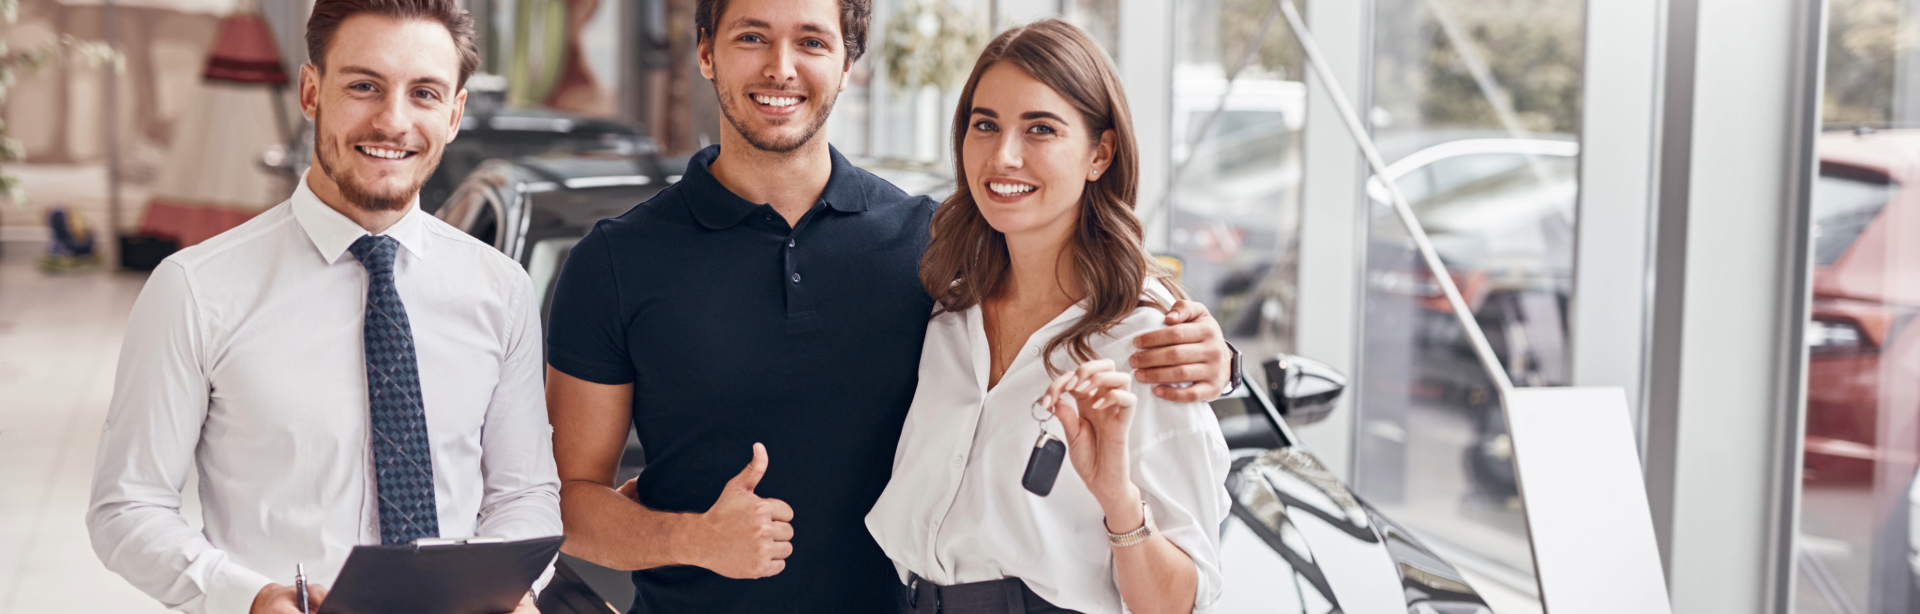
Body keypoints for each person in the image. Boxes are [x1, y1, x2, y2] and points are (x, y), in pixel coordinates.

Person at [542, 0, 1239, 612]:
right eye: (752, 36)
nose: (781, 68)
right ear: (705, 51)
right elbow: (565, 503)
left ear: (850, 62)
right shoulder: (615, 261)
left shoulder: (929, 250)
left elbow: (1074, 291)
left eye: (812, 41)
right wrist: (691, 539)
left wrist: (1216, 355)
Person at [86, 2, 558, 613]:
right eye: (364, 86)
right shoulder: (196, 289)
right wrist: (251, 598)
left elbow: (525, 494)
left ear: (455, 113)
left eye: (424, 93)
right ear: (311, 91)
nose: (393, 121)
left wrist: (508, 587)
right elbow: (127, 507)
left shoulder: (502, 290)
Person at [864, 20, 1229, 614]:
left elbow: (1175, 605)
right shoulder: (946, 312)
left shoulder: (1148, 344)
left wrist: (1116, 495)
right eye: (986, 125)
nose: (1004, 156)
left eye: (1040, 129)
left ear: (1100, 153)